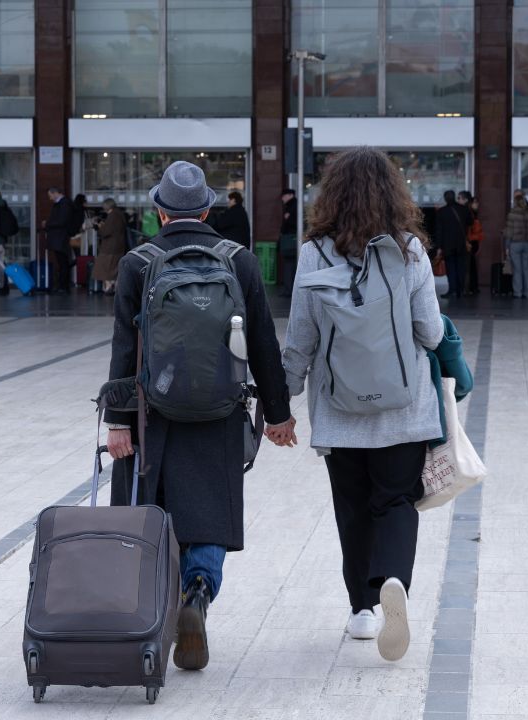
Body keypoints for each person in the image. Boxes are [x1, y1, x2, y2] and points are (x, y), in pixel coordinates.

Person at [105, 160, 295, 672]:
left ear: (159, 212)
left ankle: (157, 614)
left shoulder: (137, 263)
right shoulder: (240, 262)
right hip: (220, 412)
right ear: (208, 211)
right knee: (210, 512)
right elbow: (262, 345)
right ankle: (198, 593)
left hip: (152, 415)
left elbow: (124, 348)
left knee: (152, 513)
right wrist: (279, 415)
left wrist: (118, 422)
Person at [281, 146, 441, 662]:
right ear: (395, 193)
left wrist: (282, 401)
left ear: (332, 194)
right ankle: (393, 579)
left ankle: (363, 610)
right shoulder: (410, 250)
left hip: (340, 409)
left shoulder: (314, 253)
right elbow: (430, 332)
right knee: (396, 501)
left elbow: (301, 337)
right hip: (403, 408)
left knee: (352, 510)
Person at [435, 190, 471, 299]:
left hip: (448, 245)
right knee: (461, 267)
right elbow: (470, 222)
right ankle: (461, 290)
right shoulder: (464, 209)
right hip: (461, 245)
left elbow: (439, 231)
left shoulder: (442, 212)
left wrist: (439, 247)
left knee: (450, 268)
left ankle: (453, 290)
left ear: (445, 199)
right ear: (455, 197)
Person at [42, 187, 75, 293]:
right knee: (62, 262)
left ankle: (63, 286)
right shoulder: (62, 204)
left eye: (50, 195)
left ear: (55, 193)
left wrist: (47, 224)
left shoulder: (64, 204)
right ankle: (62, 285)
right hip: (59, 237)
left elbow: (61, 221)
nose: (50, 198)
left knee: (63, 262)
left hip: (60, 237)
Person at [504, 193, 528, 299]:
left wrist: (507, 246)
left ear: (515, 202)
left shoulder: (512, 214)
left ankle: (518, 292)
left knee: (517, 269)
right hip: (526, 244)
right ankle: (527, 292)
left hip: (515, 244)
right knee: (526, 269)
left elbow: (509, 231)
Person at [93, 197, 127, 295]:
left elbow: (106, 232)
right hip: (119, 246)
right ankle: (115, 287)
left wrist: (99, 227)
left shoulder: (113, 215)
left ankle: (108, 287)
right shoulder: (119, 214)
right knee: (115, 268)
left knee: (106, 268)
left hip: (110, 248)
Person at [458, 192, 483, 296]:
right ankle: (471, 287)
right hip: (472, 242)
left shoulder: (469, 213)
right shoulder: (471, 213)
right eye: (475, 203)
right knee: (470, 266)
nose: (477, 205)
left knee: (469, 266)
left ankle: (469, 287)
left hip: (471, 242)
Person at [279, 188, 298, 294]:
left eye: (284, 196)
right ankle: (289, 288)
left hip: (290, 239)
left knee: (289, 264)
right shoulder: (292, 206)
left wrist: (287, 219)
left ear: (290, 195)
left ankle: (289, 289)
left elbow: (290, 223)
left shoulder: (293, 206)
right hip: (291, 239)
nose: (282, 198)